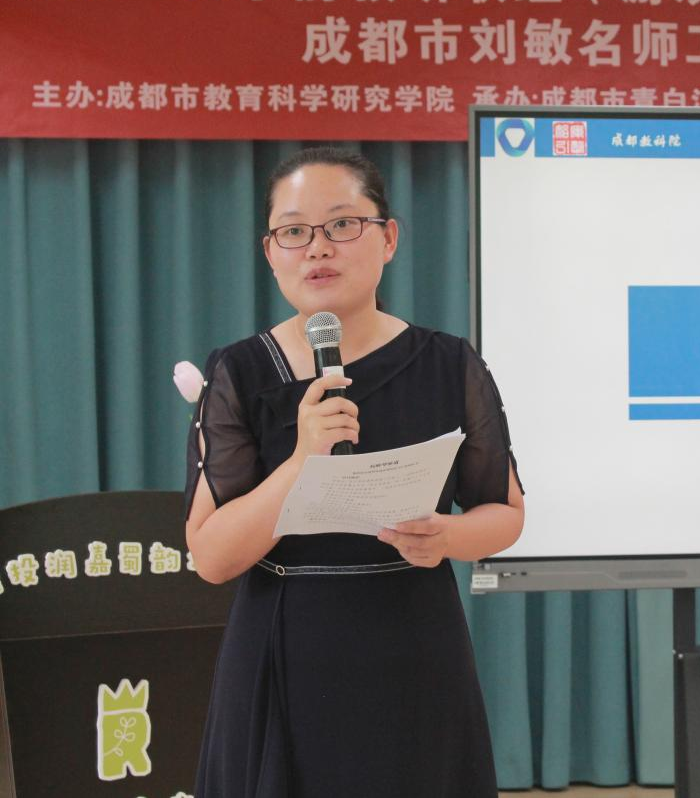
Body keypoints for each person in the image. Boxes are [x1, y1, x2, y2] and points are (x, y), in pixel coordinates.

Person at [183, 146, 524, 797]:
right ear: (270, 252)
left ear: (388, 238)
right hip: (282, 651)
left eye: (342, 224)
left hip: (414, 649)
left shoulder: (448, 363)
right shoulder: (239, 372)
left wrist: (447, 537)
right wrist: (301, 460)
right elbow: (212, 557)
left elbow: (504, 513)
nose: (318, 247)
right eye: (293, 231)